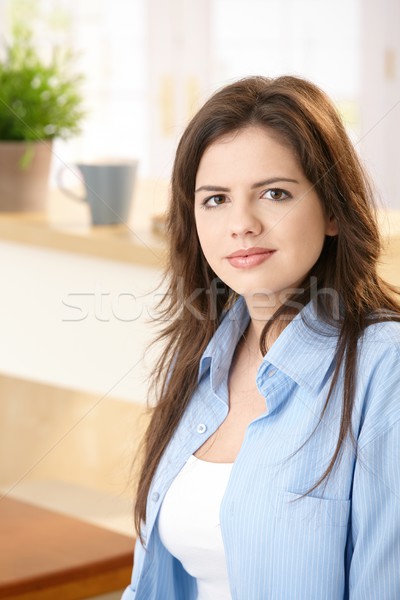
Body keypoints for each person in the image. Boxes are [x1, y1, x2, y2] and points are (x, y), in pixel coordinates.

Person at [122, 75, 400, 599]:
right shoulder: (200, 357)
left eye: (274, 194)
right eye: (216, 199)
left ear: (335, 210)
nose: (241, 224)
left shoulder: (385, 369)